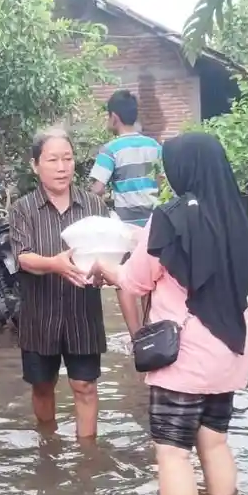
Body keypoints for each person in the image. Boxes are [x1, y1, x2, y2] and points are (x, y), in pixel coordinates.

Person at [92, 132, 248, 495]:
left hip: (186, 352)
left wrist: (104, 268)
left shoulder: (170, 217)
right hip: (231, 348)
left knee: (172, 453)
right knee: (214, 444)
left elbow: (135, 281)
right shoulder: (237, 214)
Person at [9, 127, 109, 439]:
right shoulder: (23, 209)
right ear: (35, 165)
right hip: (40, 315)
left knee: (85, 385)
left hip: (83, 313)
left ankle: (88, 454)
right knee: (42, 386)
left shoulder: (94, 207)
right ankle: (47, 443)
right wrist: (54, 264)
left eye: (67, 158)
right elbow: (23, 257)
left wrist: (106, 271)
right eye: (53, 160)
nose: (62, 167)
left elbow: (110, 255)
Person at [89, 89, 162, 334]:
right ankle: (152, 332)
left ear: (114, 117)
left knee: (124, 279)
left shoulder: (110, 149)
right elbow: (162, 181)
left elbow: (97, 189)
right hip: (154, 224)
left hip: (126, 225)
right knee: (150, 278)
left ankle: (136, 337)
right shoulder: (154, 146)